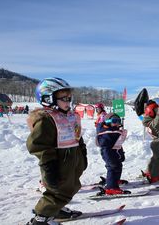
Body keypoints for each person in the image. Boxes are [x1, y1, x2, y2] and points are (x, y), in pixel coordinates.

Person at [26, 77, 87, 225]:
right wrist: (49, 166)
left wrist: (82, 154)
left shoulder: (70, 116)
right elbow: (38, 145)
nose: (68, 101)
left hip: (72, 159)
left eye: (69, 98)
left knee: (72, 186)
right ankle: (41, 218)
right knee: (57, 193)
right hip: (57, 162)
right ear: (48, 98)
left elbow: (78, 137)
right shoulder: (46, 119)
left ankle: (56, 210)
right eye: (64, 98)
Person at [96, 113, 128, 194]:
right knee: (114, 168)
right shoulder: (107, 133)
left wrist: (121, 154)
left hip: (112, 154)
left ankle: (113, 180)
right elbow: (105, 146)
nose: (117, 123)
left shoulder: (113, 131)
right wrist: (109, 158)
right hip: (109, 154)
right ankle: (111, 187)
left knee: (115, 167)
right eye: (114, 121)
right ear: (108, 122)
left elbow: (118, 144)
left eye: (118, 121)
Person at [141, 100, 159, 183]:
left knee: (155, 158)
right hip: (158, 141)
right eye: (155, 109)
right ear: (150, 111)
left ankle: (149, 171)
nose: (157, 111)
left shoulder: (149, 120)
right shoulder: (151, 122)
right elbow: (157, 123)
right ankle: (155, 176)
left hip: (157, 141)